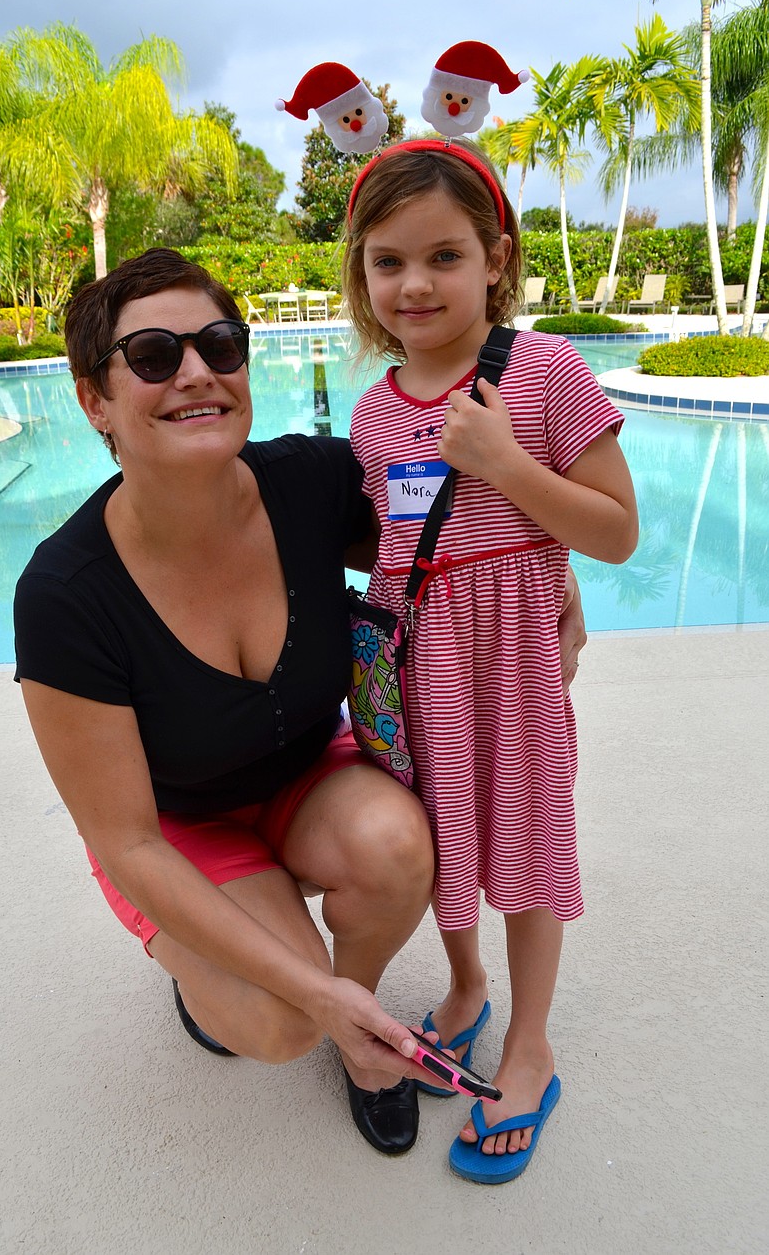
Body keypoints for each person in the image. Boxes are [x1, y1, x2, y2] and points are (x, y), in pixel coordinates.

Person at [13, 247, 589, 1161]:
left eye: (219, 344)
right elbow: (127, 841)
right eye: (155, 356)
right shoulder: (67, 593)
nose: (196, 371)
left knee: (398, 846)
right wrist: (311, 996)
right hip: (178, 825)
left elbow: (450, 547)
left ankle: (354, 1035)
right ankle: (269, 981)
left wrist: (554, 585)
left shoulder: (312, 483)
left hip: (303, 777)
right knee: (279, 1021)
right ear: (95, 401)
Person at [342, 140, 638, 1183]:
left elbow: (613, 531)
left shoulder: (547, 371)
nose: (414, 283)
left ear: (495, 257)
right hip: (424, 657)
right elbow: (391, 533)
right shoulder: (375, 409)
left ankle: (528, 1042)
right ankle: (465, 987)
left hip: (512, 660)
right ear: (361, 270)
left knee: (524, 836)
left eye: (443, 256)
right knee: (439, 836)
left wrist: (505, 463)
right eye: (387, 260)